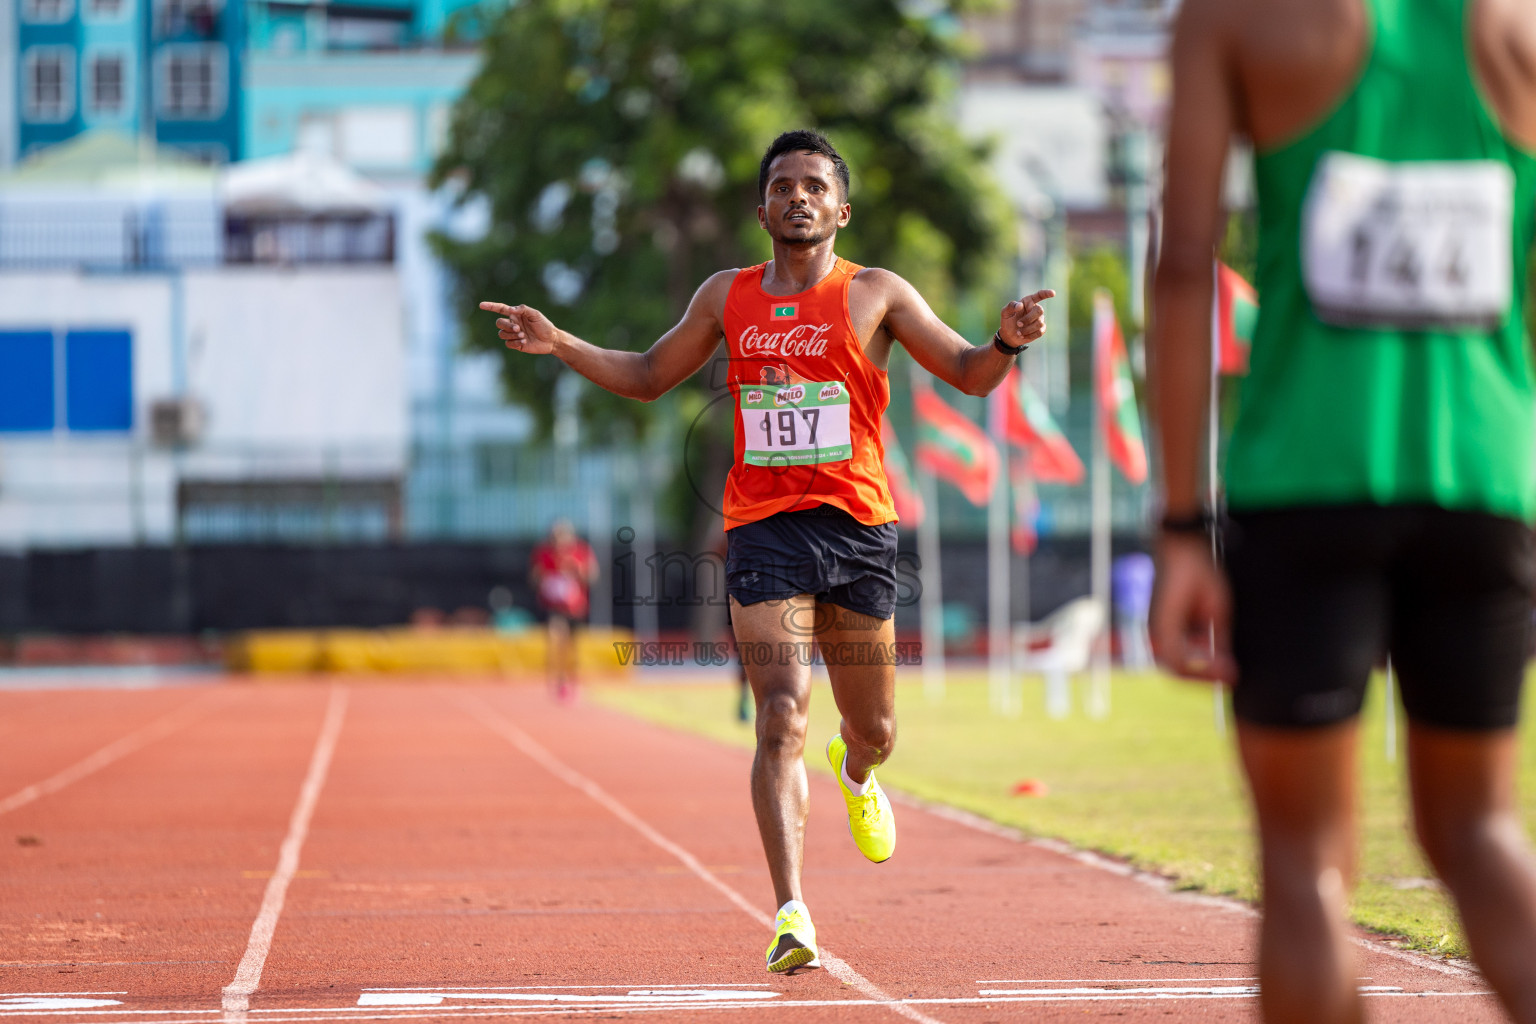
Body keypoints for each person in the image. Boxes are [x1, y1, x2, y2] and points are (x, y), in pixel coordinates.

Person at [481, 129, 1054, 973]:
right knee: (780, 712)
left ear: (840, 208)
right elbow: (646, 373)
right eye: (782, 185)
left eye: (814, 186)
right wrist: (561, 342)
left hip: (859, 529)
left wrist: (1005, 341)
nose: (798, 197)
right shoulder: (727, 296)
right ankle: (791, 912)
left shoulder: (879, 294)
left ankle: (857, 775)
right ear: (761, 210)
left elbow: (969, 373)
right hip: (765, 527)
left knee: (878, 729)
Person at [1150, 1, 1536, 1021]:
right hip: (1489, 480)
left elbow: (1186, 264)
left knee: (1304, 857)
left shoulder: (1232, 19)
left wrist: (1181, 524)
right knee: (1482, 832)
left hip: (1304, 477)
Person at [529, 519, 598, 702]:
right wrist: (542, 577)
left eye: (562, 535)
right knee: (555, 638)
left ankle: (572, 681)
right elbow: (535, 578)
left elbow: (592, 576)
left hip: (575, 607)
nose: (559, 540)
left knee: (572, 646)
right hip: (554, 606)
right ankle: (557, 680)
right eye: (555, 536)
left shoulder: (581, 551)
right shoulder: (544, 553)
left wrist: (577, 570)